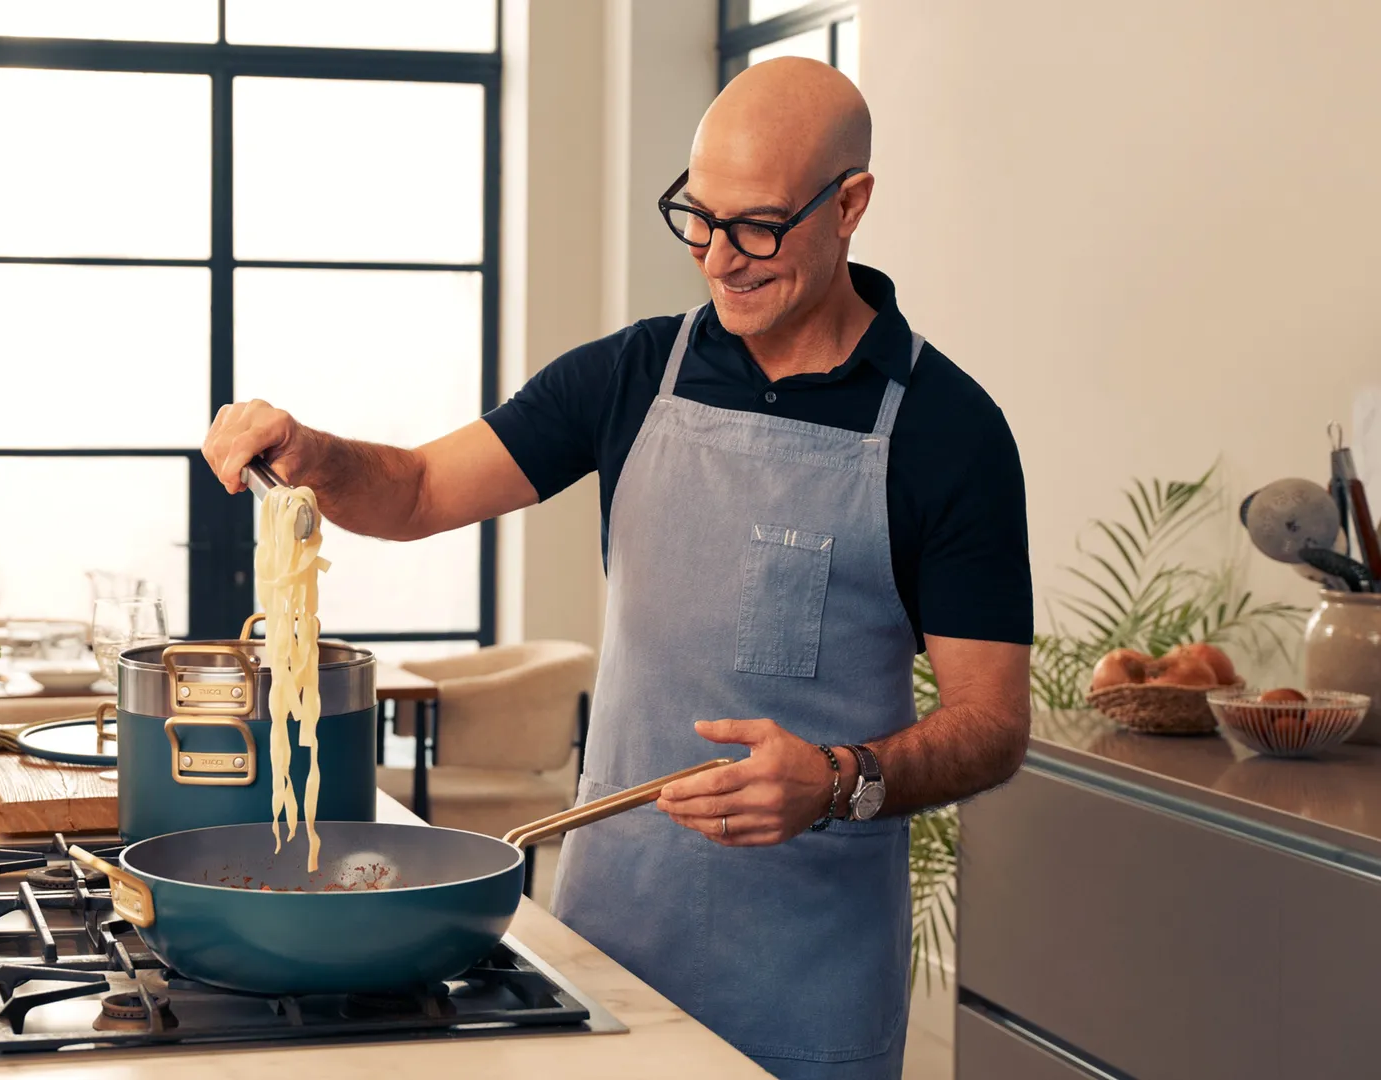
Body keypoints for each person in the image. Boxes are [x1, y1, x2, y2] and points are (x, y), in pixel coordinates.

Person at [202, 58, 1032, 1080]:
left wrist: (838, 780)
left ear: (851, 203)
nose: (719, 259)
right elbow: (417, 492)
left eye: (758, 226)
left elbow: (991, 726)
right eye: (699, 217)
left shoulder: (951, 433)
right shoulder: (635, 373)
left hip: (806, 977)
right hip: (608, 944)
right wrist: (314, 455)